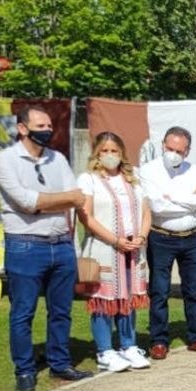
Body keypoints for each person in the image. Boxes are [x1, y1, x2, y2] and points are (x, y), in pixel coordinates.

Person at [0, 105, 93, 391]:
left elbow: (78, 198)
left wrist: (46, 202)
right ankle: (24, 370)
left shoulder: (57, 158)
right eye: (40, 126)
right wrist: (57, 200)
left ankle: (60, 364)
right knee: (23, 312)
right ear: (22, 128)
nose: (47, 130)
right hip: (25, 245)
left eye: (49, 125)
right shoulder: (5, 160)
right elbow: (26, 202)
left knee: (61, 311)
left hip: (60, 244)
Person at [76, 132, 151, 373]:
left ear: (122, 153)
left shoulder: (134, 177)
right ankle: (105, 350)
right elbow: (85, 216)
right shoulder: (88, 179)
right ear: (97, 153)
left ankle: (128, 345)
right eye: (105, 151)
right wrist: (115, 239)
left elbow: (146, 211)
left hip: (132, 246)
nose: (110, 156)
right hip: (104, 246)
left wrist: (140, 236)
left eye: (114, 151)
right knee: (104, 299)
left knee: (129, 295)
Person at [140, 126, 196, 359]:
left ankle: (195, 336)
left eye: (179, 150)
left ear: (187, 151)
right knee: (160, 291)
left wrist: (172, 197)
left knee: (193, 291)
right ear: (163, 145)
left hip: (191, 237)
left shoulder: (194, 170)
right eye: (169, 148)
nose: (173, 153)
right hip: (161, 237)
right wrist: (188, 200)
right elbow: (157, 206)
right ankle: (159, 340)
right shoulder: (148, 170)